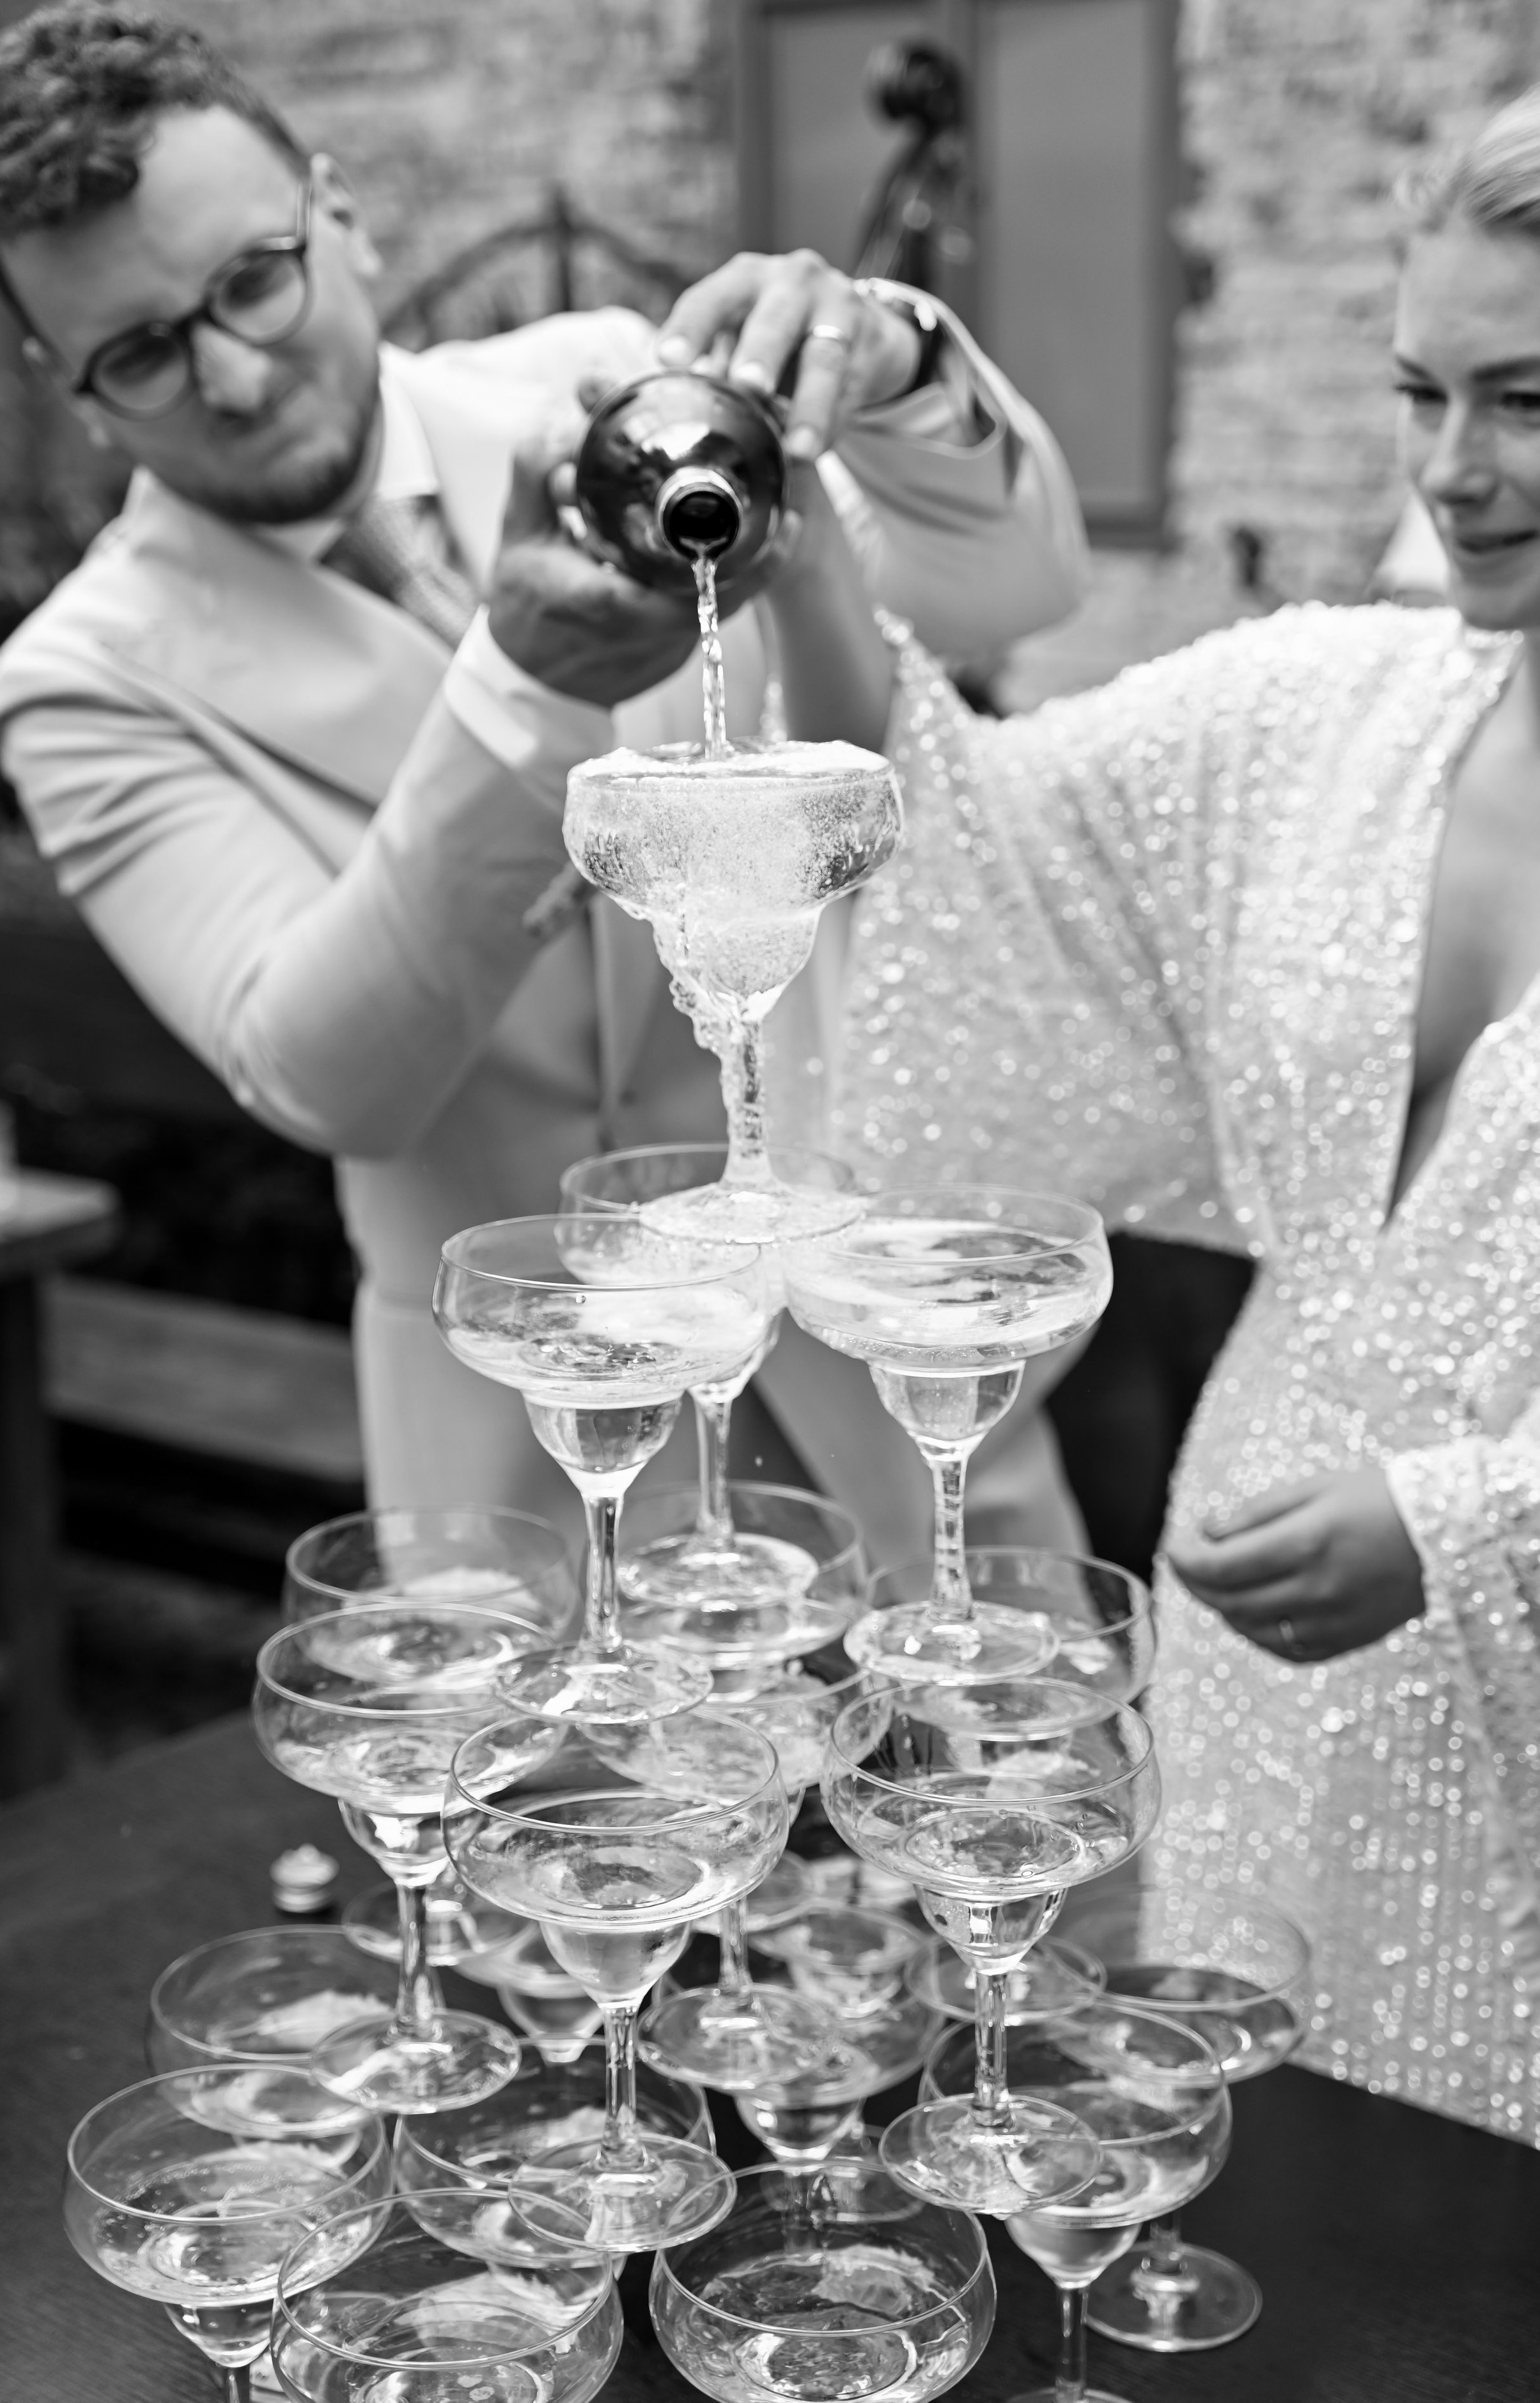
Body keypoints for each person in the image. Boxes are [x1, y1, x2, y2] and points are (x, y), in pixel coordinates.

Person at [0, 4, 1090, 1551]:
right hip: (534, 1476)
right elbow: (327, 1074)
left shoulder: (611, 386)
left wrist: (891, 362)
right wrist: (520, 686)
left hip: (895, 1387)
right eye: (140, 353)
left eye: (254, 282)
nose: (232, 376)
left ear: (339, 215)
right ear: (67, 384)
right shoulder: (83, 677)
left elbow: (1018, 590)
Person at [797, 91, 1540, 2143]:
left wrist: (1481, 1521)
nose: (1453, 471)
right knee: (1260, 2200)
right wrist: (788, 543)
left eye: (1526, 399)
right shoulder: (1321, 709)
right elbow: (950, 831)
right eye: (1420, 393)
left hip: (1506, 1701)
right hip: (1260, 1649)